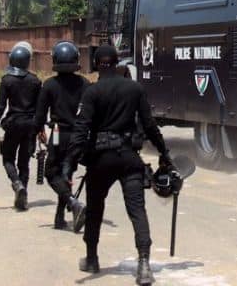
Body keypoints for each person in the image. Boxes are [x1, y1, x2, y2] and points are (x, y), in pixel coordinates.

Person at [67, 44, 173, 284]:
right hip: (128, 157)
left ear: (96, 64)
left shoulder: (92, 92)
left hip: (100, 160)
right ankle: (144, 265)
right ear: (118, 63)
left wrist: (69, 165)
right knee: (137, 211)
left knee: (95, 210)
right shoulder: (134, 89)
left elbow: (80, 130)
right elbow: (149, 125)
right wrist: (164, 153)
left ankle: (92, 259)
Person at [34, 41, 90, 232]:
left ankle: (73, 203)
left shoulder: (50, 85)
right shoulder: (84, 83)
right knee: (67, 174)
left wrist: (39, 131)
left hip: (58, 134)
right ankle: (60, 217)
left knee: (51, 173)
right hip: (79, 136)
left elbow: (40, 115)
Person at [0, 43, 42, 210]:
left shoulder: (7, 80)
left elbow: (0, 107)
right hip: (30, 125)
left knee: (7, 158)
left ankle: (17, 183)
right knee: (24, 162)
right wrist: (39, 129)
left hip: (13, 124)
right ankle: (23, 195)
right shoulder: (35, 81)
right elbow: (39, 109)